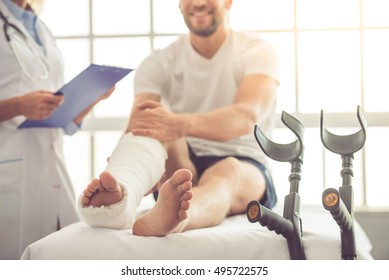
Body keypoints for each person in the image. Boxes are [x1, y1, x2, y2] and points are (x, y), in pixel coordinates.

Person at [78, 0, 279, 237]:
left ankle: (178, 218)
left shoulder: (257, 50)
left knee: (228, 170)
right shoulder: (159, 62)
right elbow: (142, 123)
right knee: (154, 133)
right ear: (180, 5)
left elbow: (245, 117)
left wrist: (179, 124)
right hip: (181, 163)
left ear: (228, 2)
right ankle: (121, 197)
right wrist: (127, 154)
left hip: (244, 164)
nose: (199, 2)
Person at [0, 0, 114, 259]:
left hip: (51, 165)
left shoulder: (40, 27)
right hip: (8, 167)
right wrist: (19, 105)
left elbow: (58, 117)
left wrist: (92, 97)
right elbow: (26, 103)